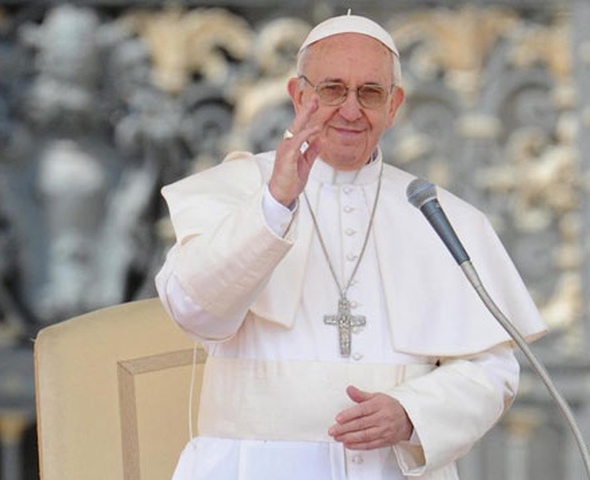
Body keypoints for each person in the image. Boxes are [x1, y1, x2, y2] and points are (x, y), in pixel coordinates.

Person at [154, 12, 548, 480]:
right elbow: (192, 309)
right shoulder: (238, 191)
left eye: (370, 93)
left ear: (394, 105)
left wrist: (412, 413)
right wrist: (274, 205)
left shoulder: (437, 214)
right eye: (332, 89)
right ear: (299, 95)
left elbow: (491, 370)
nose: (350, 109)